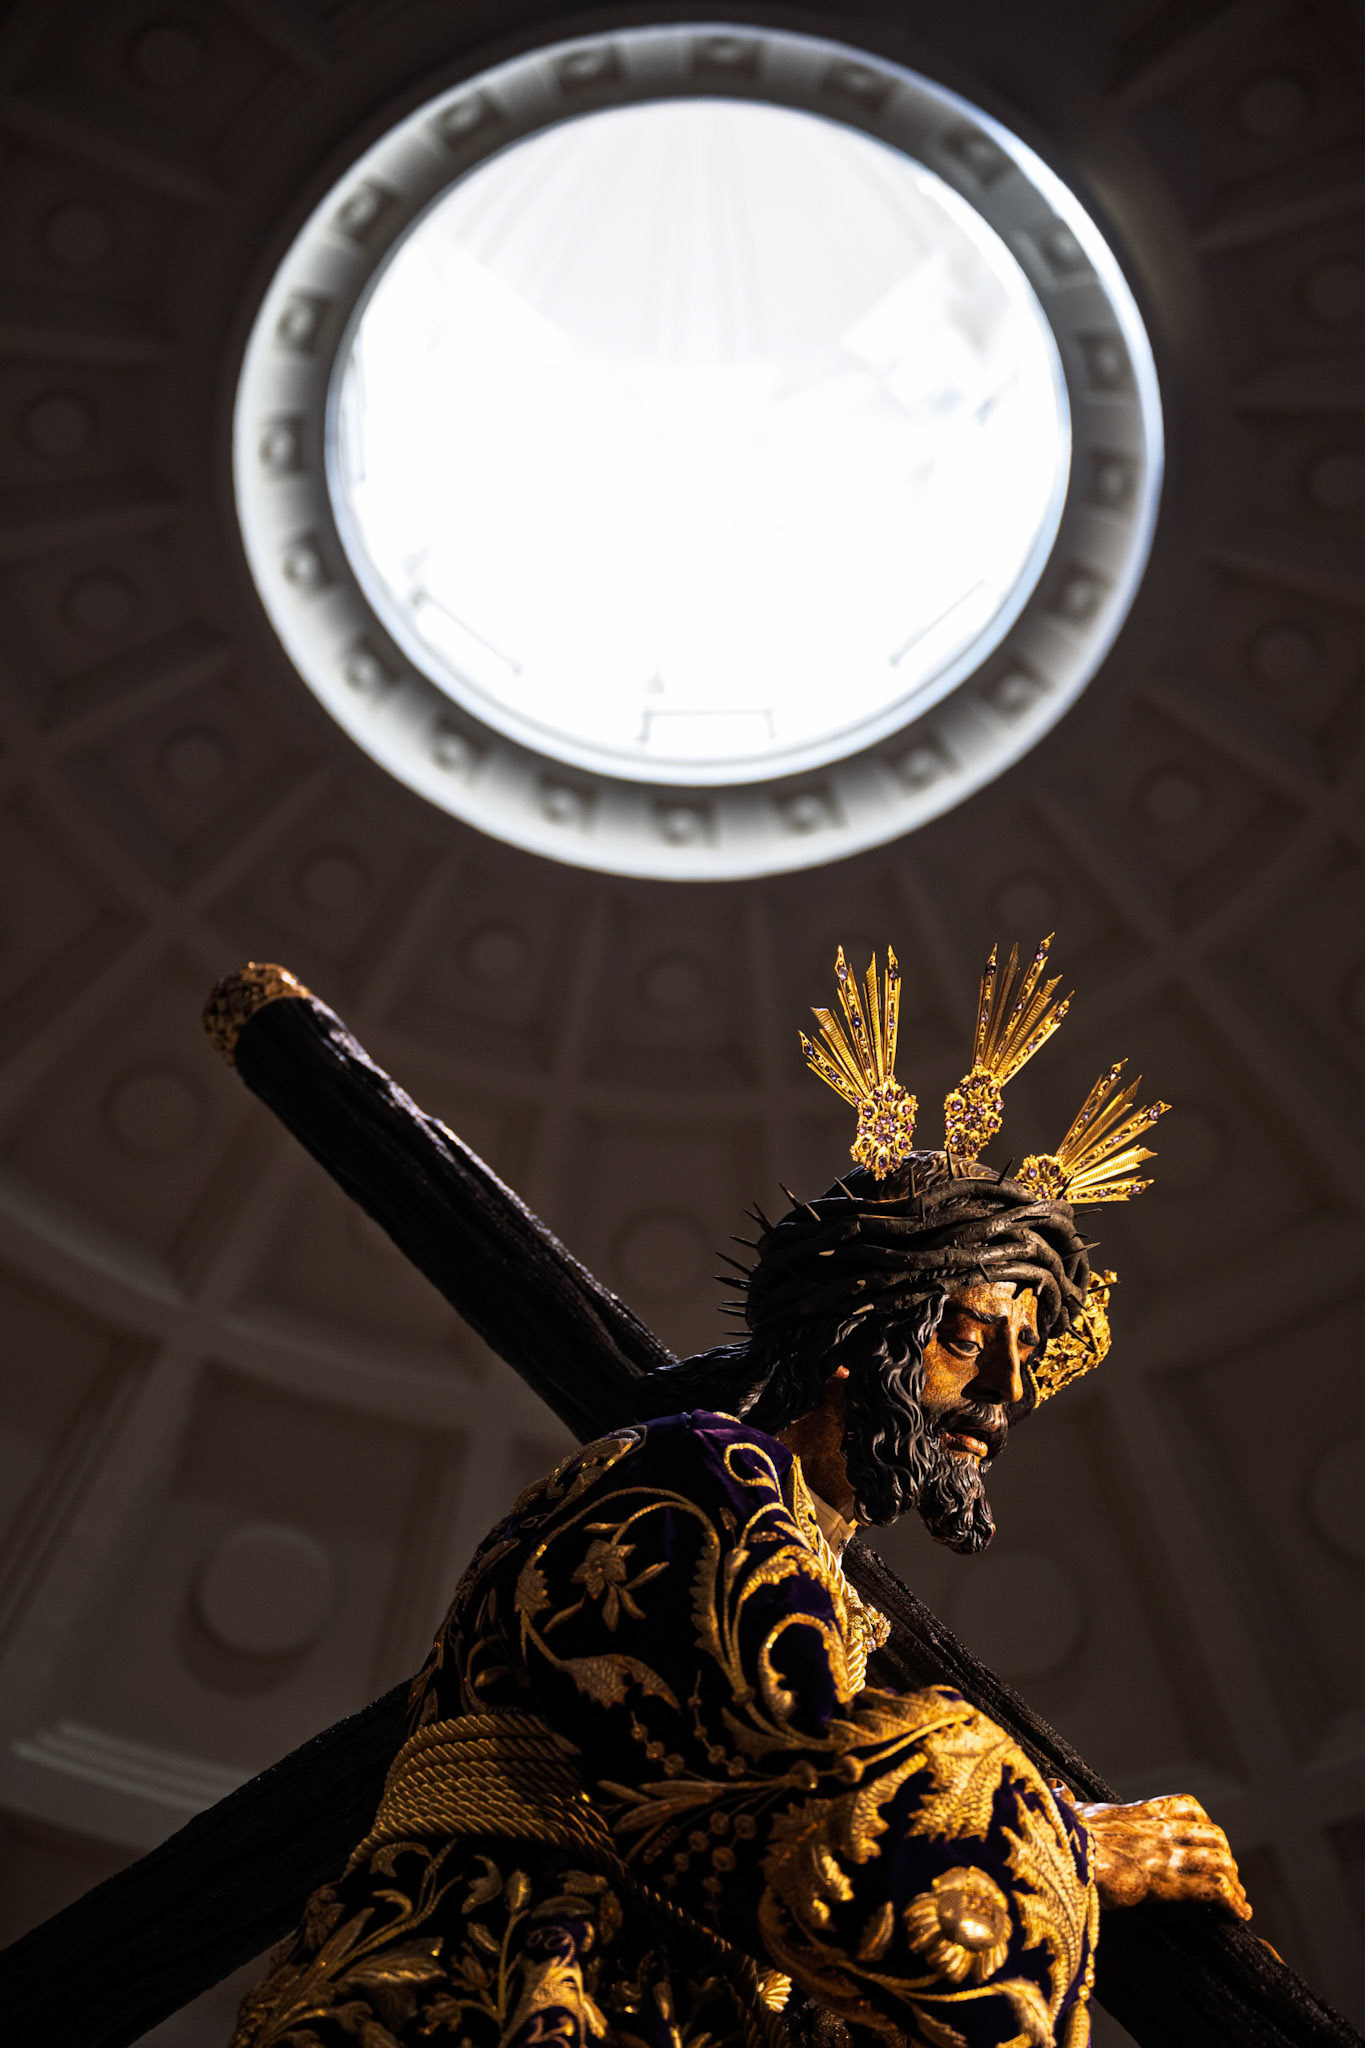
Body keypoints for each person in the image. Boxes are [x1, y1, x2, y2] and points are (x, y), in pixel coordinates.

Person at [229, 941, 1248, 2048]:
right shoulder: (704, 1478)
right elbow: (796, 1807)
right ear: (865, 1336)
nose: (1005, 1390)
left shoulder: (810, 1565)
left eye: (1025, 1353)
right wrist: (1074, 1837)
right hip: (494, 1984)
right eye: (966, 1336)